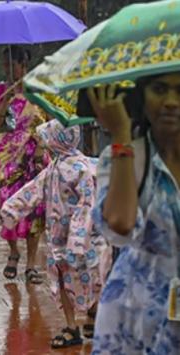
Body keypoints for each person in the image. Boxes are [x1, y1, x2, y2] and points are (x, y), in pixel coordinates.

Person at [88, 73, 180, 353]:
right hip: (132, 322)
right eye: (159, 89)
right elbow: (119, 225)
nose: (171, 102)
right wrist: (121, 136)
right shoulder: (124, 156)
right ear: (141, 94)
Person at [0, 120, 112, 348]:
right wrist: (12, 209)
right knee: (66, 278)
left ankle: (92, 316)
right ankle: (73, 326)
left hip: (81, 239)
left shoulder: (79, 169)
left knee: (91, 276)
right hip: (61, 239)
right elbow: (32, 190)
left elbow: (87, 203)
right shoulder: (55, 167)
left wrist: (78, 236)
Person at [0, 45, 49, 284]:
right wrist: (4, 101)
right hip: (9, 159)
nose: (8, 68)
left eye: (12, 63)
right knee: (8, 205)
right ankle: (13, 250)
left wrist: (43, 146)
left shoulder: (38, 89)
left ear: (24, 64)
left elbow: (50, 120)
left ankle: (32, 263)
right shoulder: (1, 91)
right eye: (5, 63)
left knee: (35, 209)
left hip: (34, 157)